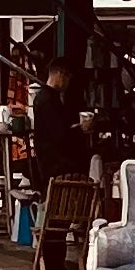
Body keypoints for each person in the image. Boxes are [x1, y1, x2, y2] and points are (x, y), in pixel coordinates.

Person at [29, 59, 91, 190]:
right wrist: (81, 129)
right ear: (59, 74)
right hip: (55, 162)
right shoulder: (48, 100)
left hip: (53, 159)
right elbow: (59, 134)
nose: (68, 82)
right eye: (67, 76)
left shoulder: (50, 97)